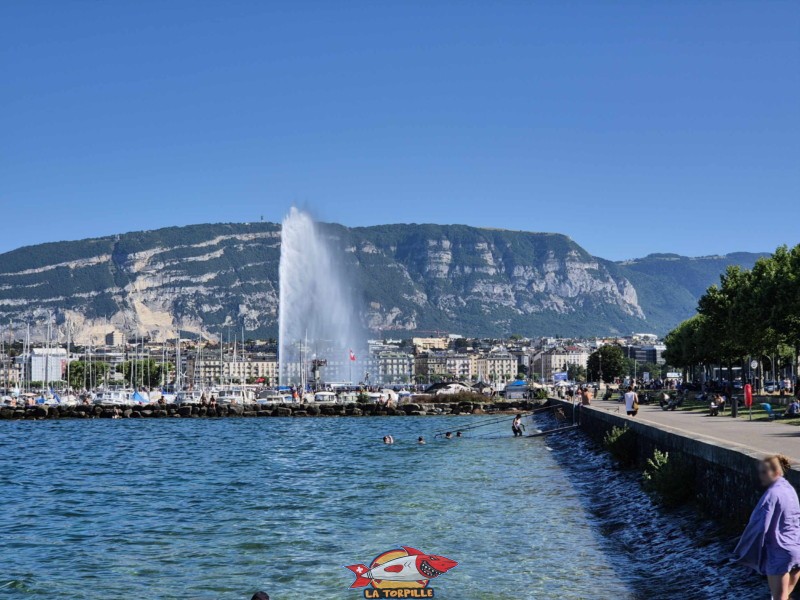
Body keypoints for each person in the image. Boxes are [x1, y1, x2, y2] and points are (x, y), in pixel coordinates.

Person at [734, 455, 800, 600]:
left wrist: (743, 550)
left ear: (776, 472)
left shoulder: (771, 495)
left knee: (779, 597)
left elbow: (758, 525)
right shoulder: (789, 490)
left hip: (779, 553)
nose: (761, 476)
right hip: (796, 550)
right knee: (785, 595)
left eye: (764, 472)